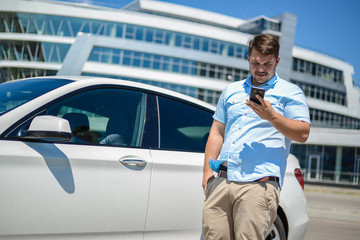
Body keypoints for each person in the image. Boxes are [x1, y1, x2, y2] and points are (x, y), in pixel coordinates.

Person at [202, 34, 311, 240]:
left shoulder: (290, 92)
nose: (260, 68)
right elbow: (217, 132)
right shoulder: (231, 91)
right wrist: (207, 173)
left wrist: (272, 117)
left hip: (259, 185)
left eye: (267, 63)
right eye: (255, 62)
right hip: (222, 181)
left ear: (277, 60)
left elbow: (303, 133)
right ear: (248, 58)